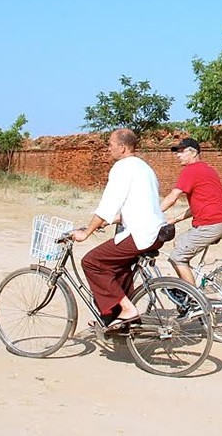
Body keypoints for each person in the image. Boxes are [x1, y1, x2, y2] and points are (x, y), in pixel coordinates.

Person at [71, 128, 172, 332]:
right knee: (119, 268)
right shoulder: (144, 168)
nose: (108, 149)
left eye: (111, 144)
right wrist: (107, 222)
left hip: (141, 234)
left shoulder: (123, 167)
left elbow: (108, 204)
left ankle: (127, 310)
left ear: (122, 147)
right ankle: (115, 319)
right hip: (156, 230)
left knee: (92, 262)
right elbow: (139, 204)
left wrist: (86, 232)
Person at [161, 137, 222, 287]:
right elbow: (198, 206)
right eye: (177, 152)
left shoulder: (191, 170)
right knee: (180, 242)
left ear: (193, 153)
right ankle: (186, 287)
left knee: (177, 257)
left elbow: (172, 197)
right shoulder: (208, 169)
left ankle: (194, 298)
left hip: (210, 225)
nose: (178, 155)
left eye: (181, 151)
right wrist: (174, 219)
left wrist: (152, 213)